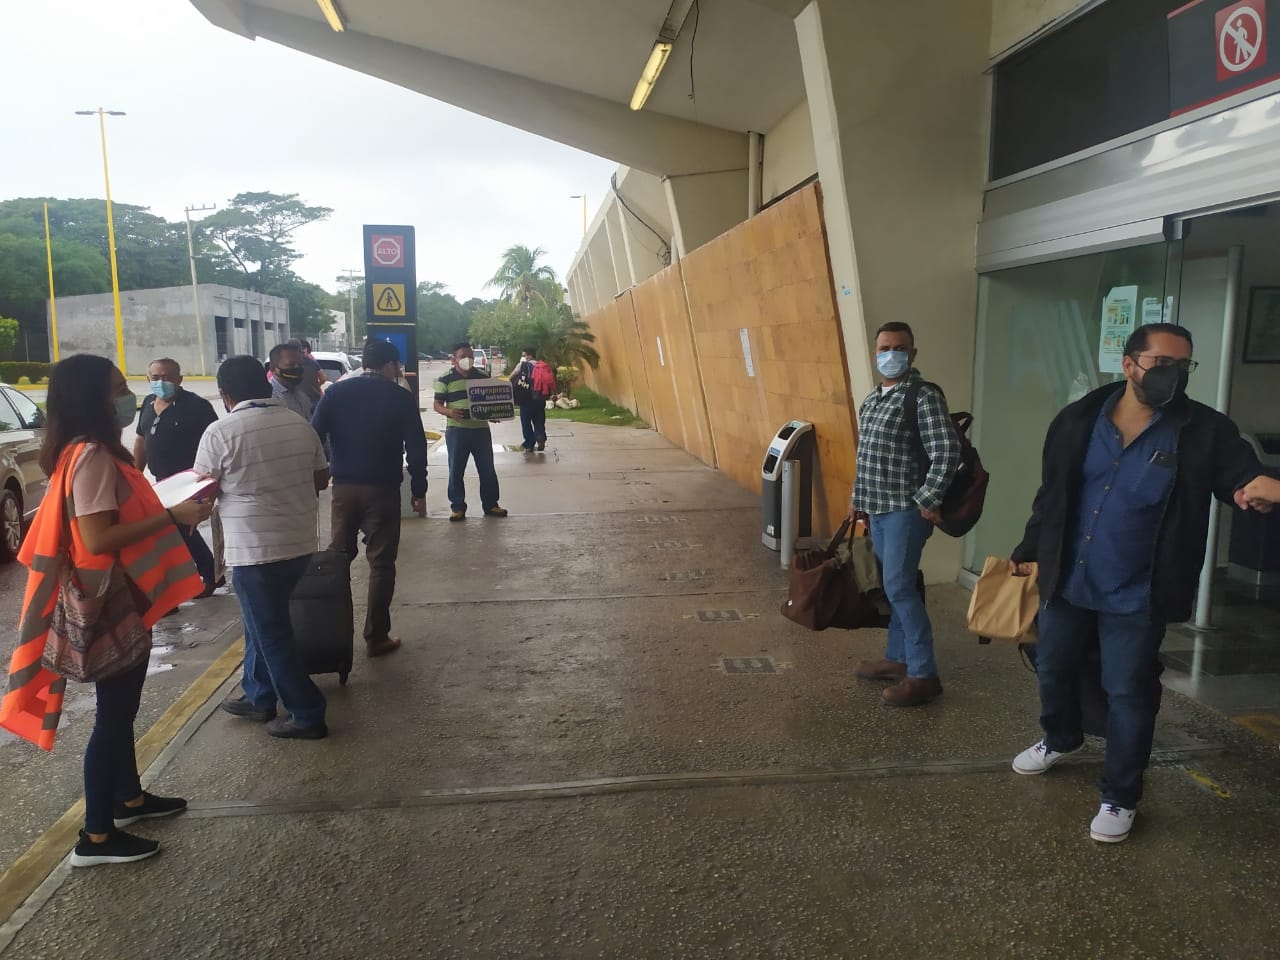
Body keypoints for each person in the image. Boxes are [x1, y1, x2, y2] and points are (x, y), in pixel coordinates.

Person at [1008, 323, 1276, 843]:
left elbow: (1241, 479)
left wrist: (1257, 491)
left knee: (1128, 691)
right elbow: (1054, 495)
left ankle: (1120, 794)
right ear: (1129, 364)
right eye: (1162, 364)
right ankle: (1060, 737)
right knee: (1052, 667)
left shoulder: (1203, 430)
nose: (1173, 375)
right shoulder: (1080, 418)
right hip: (1069, 580)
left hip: (1138, 591)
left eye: (1184, 365)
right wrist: (1029, 549)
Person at [7, 355, 209, 866]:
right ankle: (96, 836)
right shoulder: (93, 455)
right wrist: (171, 513)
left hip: (114, 594)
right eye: (119, 388)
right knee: (114, 717)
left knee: (120, 709)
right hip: (108, 601)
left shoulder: (79, 450)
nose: (130, 395)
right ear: (92, 398)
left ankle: (129, 799)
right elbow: (95, 536)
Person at [194, 356, 331, 740]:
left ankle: (307, 713)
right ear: (266, 383)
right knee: (260, 625)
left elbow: (202, 496)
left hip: (254, 551)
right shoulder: (299, 424)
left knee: (271, 633)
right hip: (300, 543)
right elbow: (321, 479)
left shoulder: (219, 433)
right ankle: (259, 695)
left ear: (225, 395)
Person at [848, 321, 961, 707]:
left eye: (898, 348)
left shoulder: (922, 396)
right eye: (883, 348)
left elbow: (947, 451)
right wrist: (857, 499)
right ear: (875, 352)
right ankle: (897, 658)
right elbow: (866, 457)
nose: (890, 354)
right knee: (895, 585)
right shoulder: (873, 399)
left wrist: (928, 499)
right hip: (877, 509)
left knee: (898, 587)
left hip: (905, 511)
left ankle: (923, 673)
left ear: (913, 354)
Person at [312, 339, 428, 658]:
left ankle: (334, 638)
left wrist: (321, 470)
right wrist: (419, 489)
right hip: (383, 490)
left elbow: (314, 434)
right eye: (397, 367)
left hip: (344, 489)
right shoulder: (399, 396)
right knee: (381, 563)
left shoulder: (335, 392)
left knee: (338, 561)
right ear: (390, 365)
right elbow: (416, 448)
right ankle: (376, 637)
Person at [132, 357, 222, 596]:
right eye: (155, 377)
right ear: (147, 379)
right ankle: (198, 575)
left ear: (179, 379)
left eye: (167, 377)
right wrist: (135, 474)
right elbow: (141, 440)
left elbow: (215, 442)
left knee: (182, 530)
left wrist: (208, 486)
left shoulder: (197, 407)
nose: (161, 382)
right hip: (161, 481)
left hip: (188, 483)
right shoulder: (150, 403)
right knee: (172, 532)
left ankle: (207, 574)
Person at [433, 342, 508, 521]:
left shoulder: (482, 376)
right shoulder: (445, 379)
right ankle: (457, 507)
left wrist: (493, 414)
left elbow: (490, 402)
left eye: (470, 356)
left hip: (481, 430)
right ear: (454, 360)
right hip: (456, 431)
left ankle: (491, 504)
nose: (468, 360)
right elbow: (437, 405)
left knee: (487, 469)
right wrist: (449, 412)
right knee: (456, 470)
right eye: (463, 356)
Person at [268, 342, 315, 422]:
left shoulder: (302, 396)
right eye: (291, 365)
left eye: (300, 365)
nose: (297, 368)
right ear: (273, 368)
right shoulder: (270, 398)